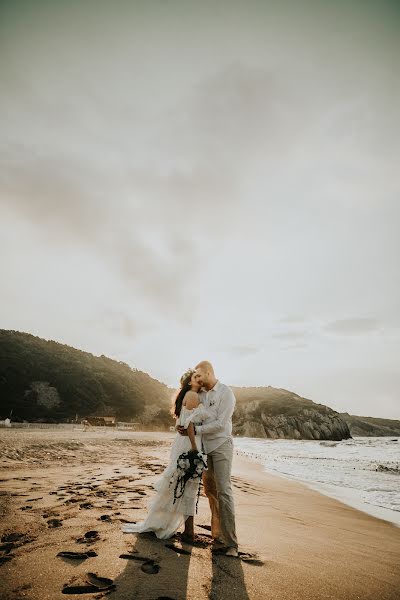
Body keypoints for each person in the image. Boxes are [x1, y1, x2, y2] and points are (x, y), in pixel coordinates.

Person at [121, 368, 211, 541]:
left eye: (201, 376)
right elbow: (190, 424)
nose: (200, 379)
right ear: (189, 382)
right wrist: (194, 447)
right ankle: (188, 531)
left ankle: (184, 529)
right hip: (189, 443)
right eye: (196, 377)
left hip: (183, 442)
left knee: (181, 484)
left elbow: (184, 423)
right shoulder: (192, 396)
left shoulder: (189, 396)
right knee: (188, 486)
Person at [178, 360, 238, 557]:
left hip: (221, 446)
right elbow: (191, 414)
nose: (197, 378)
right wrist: (183, 427)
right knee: (210, 490)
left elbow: (221, 424)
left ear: (209, 373)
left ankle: (230, 543)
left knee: (224, 490)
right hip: (204, 447)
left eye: (199, 374)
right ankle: (217, 536)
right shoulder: (201, 394)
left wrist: (196, 430)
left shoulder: (225, 393)